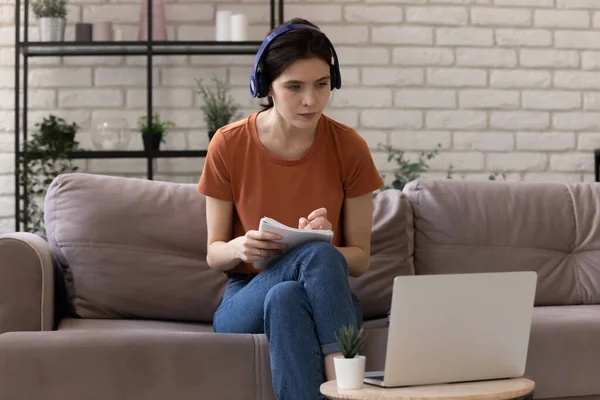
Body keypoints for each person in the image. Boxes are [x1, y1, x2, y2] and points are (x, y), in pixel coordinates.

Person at [197, 17, 383, 400]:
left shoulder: (349, 147)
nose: (310, 100)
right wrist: (241, 248)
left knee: (287, 296)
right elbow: (215, 254)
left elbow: (361, 260)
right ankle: (348, 388)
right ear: (266, 87)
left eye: (321, 85)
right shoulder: (228, 144)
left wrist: (323, 238)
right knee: (312, 255)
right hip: (244, 296)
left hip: (322, 293)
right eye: (294, 87)